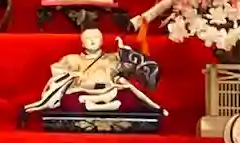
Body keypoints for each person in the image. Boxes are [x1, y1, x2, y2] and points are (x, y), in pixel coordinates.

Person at [24, 29, 163, 118]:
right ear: (82, 43)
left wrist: (124, 51)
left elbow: (136, 66)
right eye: (88, 38)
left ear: (102, 41)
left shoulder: (113, 57)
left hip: (111, 91)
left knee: (129, 99)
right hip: (83, 93)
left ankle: (97, 107)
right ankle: (102, 107)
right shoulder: (71, 59)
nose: (92, 40)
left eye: (96, 37)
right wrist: (73, 74)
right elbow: (57, 73)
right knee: (69, 102)